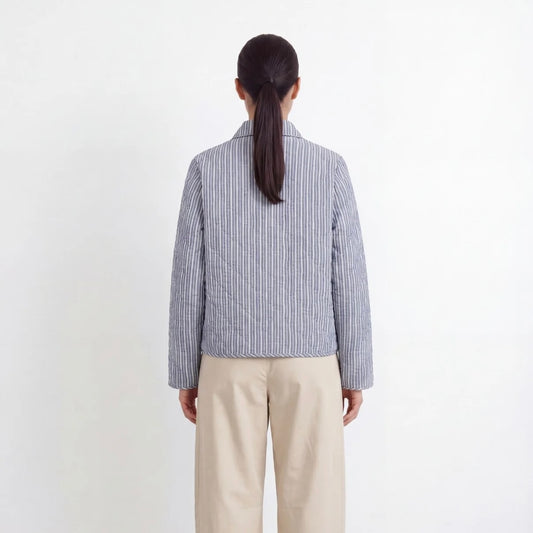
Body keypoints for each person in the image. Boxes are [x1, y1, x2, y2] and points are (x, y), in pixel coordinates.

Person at [168, 33, 374, 533]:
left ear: (239, 88)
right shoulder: (329, 169)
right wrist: (355, 371)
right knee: (315, 511)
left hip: (227, 362)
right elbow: (348, 277)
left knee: (225, 511)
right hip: (311, 363)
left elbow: (188, 279)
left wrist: (186, 370)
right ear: (296, 87)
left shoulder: (205, 169)